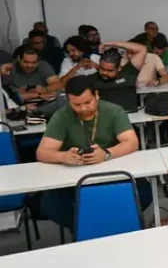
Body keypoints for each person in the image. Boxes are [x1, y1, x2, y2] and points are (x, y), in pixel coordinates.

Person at [36, 75, 150, 230]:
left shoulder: (113, 111)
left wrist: (107, 153)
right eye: (76, 104)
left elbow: (132, 142)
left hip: (111, 170)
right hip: (73, 177)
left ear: (96, 95)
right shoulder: (62, 116)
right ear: (69, 100)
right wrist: (63, 156)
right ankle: (85, 233)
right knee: (55, 204)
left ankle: (118, 228)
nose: (83, 108)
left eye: (88, 102)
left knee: (142, 192)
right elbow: (42, 152)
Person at [101, 40, 168, 87]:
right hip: (128, 92)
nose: (129, 56)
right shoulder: (121, 60)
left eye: (133, 53)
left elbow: (167, 76)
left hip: (149, 91)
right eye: (127, 52)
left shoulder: (153, 57)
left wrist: (157, 81)